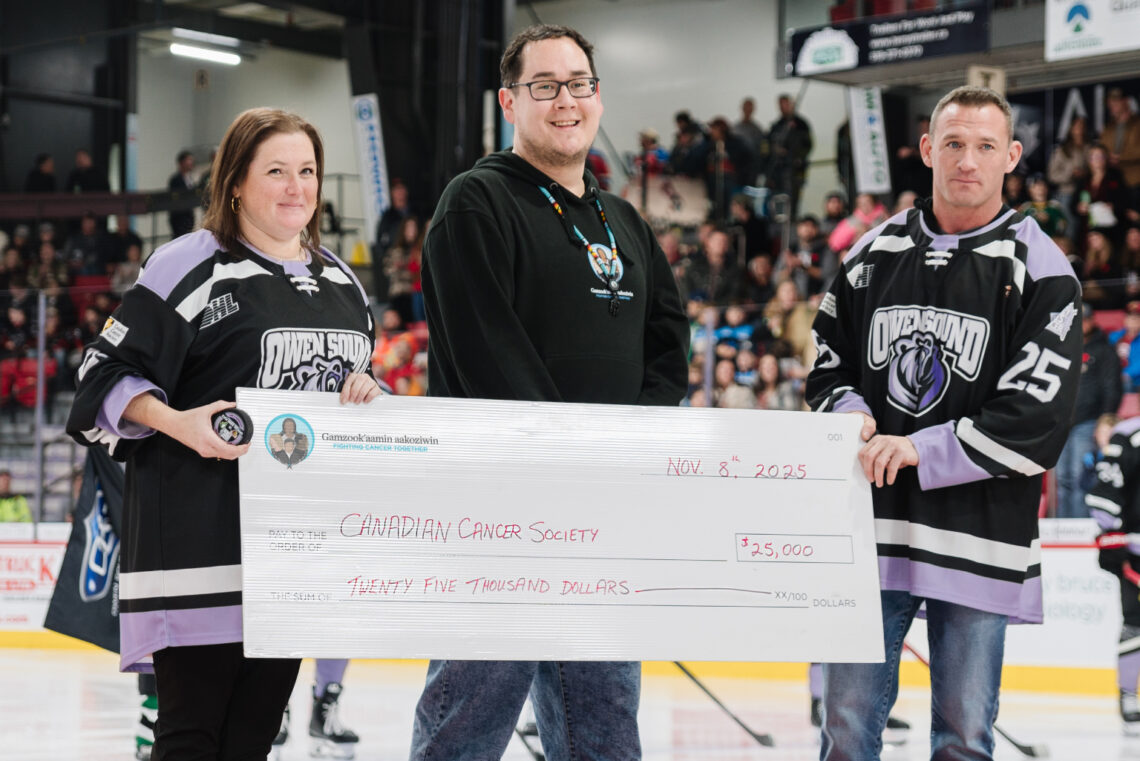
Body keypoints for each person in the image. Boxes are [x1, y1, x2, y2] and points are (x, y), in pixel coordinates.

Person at [65, 107, 382, 761]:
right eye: (276, 171)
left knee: (252, 740)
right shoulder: (189, 264)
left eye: (307, 171)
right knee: (190, 739)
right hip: (197, 548)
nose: (296, 187)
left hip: (293, 558)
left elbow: (348, 399)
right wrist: (178, 420)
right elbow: (99, 375)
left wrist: (367, 393)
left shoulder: (343, 282)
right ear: (235, 181)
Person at [412, 23, 689, 761]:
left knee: (604, 723)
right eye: (544, 85)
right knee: (467, 721)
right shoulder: (476, 203)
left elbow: (668, 341)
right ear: (510, 100)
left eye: (579, 84)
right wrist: (574, 455)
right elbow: (489, 352)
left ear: (597, 97)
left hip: (603, 514)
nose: (565, 100)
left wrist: (637, 441)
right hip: (500, 517)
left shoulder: (622, 218)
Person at [807, 86, 1082, 761]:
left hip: (979, 536)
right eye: (953, 143)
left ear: (1011, 156)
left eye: (986, 146)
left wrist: (918, 449)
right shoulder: (872, 252)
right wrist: (853, 418)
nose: (968, 159)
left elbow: (1035, 417)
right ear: (928, 149)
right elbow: (824, 364)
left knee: (964, 739)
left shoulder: (1042, 268)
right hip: (871, 533)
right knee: (845, 731)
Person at [1086, 413, 1140, 734]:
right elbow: (1105, 489)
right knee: (1135, 623)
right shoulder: (1129, 435)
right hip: (1135, 551)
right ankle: (1129, 694)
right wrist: (1111, 535)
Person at [1055, 303, 1122, 518]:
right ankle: (1062, 527)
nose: (1082, 324)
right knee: (1062, 477)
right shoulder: (1064, 348)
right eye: (1078, 320)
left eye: (1085, 319)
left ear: (1093, 321)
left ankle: (1079, 526)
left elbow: (1112, 388)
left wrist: (1103, 420)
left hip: (1088, 422)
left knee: (1079, 476)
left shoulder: (1104, 350)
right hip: (1062, 422)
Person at [767, 94, 813, 221]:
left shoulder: (801, 124)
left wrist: (795, 155)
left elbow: (808, 145)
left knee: (792, 205)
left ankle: (792, 227)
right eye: (781, 105)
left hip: (795, 171)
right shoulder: (776, 126)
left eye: (786, 104)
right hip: (778, 173)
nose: (783, 107)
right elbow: (768, 148)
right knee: (778, 204)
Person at [167, 150, 197, 239]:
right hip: (179, 218)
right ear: (182, 162)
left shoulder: (190, 178)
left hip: (188, 218)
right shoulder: (175, 180)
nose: (191, 162)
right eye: (189, 160)